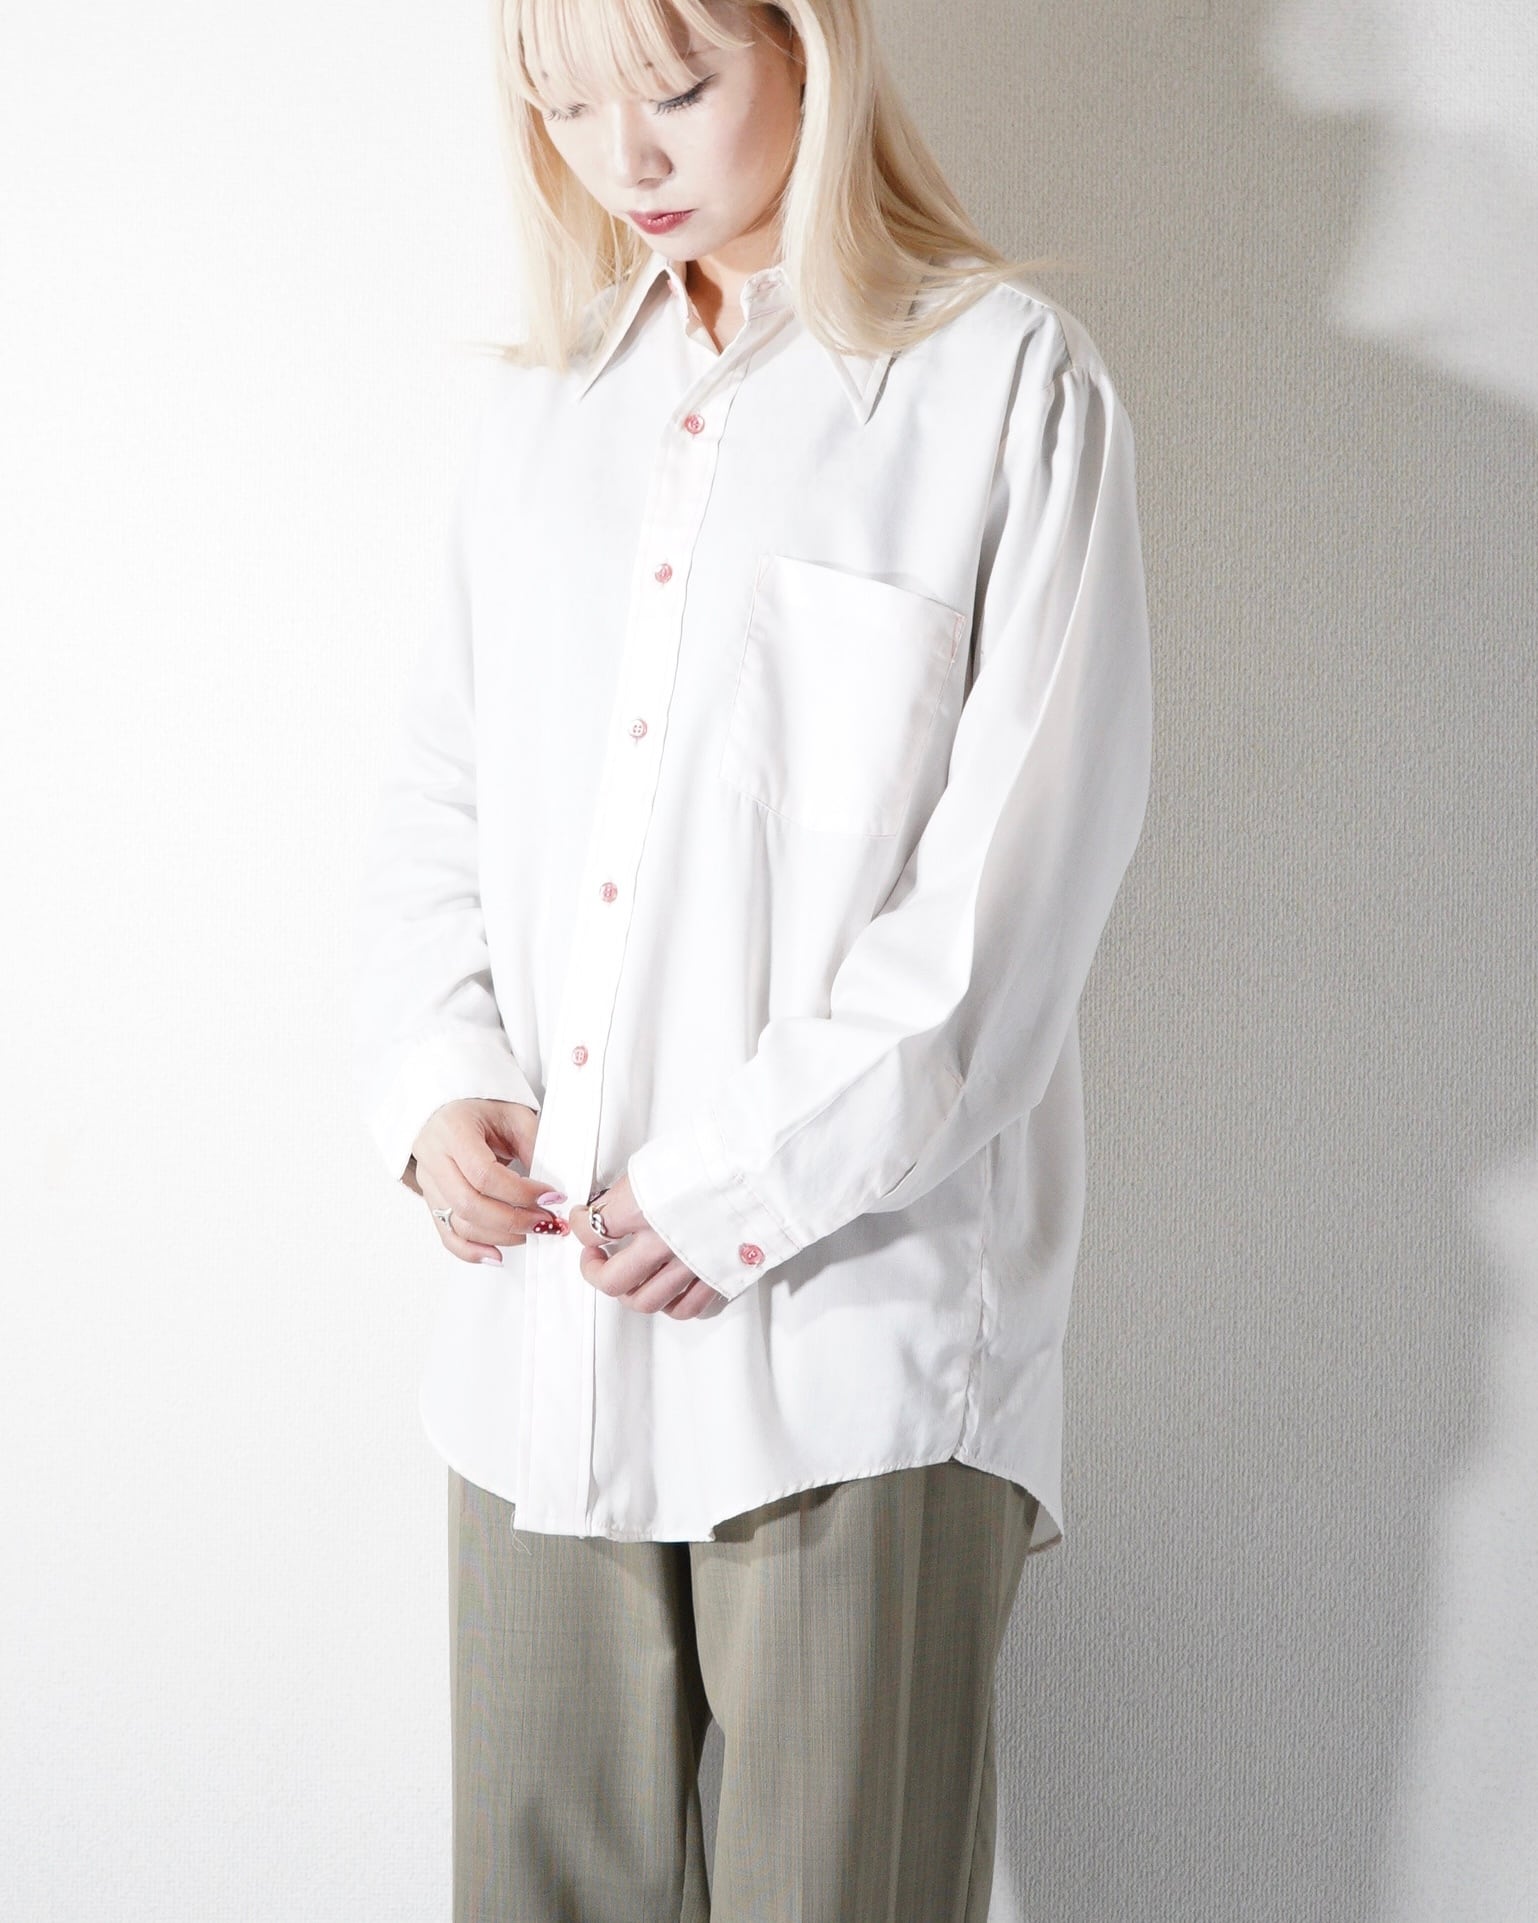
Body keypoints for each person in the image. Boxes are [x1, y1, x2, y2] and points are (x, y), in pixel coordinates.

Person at [349, 1, 1152, 1916]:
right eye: (564, 105)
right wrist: (438, 1083)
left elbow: (1008, 900)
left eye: (675, 87)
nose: (621, 159)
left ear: (811, 46)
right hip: (538, 1354)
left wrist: (735, 1185)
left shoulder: (998, 386)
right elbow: (437, 798)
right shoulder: (545, 414)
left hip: (848, 1349)